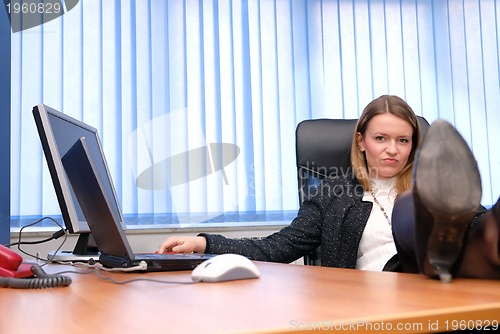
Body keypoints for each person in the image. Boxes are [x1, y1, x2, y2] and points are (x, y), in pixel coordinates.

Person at [158, 95, 500, 282]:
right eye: (380, 138)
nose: (392, 149)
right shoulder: (335, 194)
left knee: (476, 227)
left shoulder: (440, 190)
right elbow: (278, 246)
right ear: (361, 142)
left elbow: (471, 220)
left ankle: (462, 232)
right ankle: (421, 232)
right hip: (375, 301)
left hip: (435, 293)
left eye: (403, 140)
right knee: (420, 227)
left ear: (414, 145)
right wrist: (205, 242)